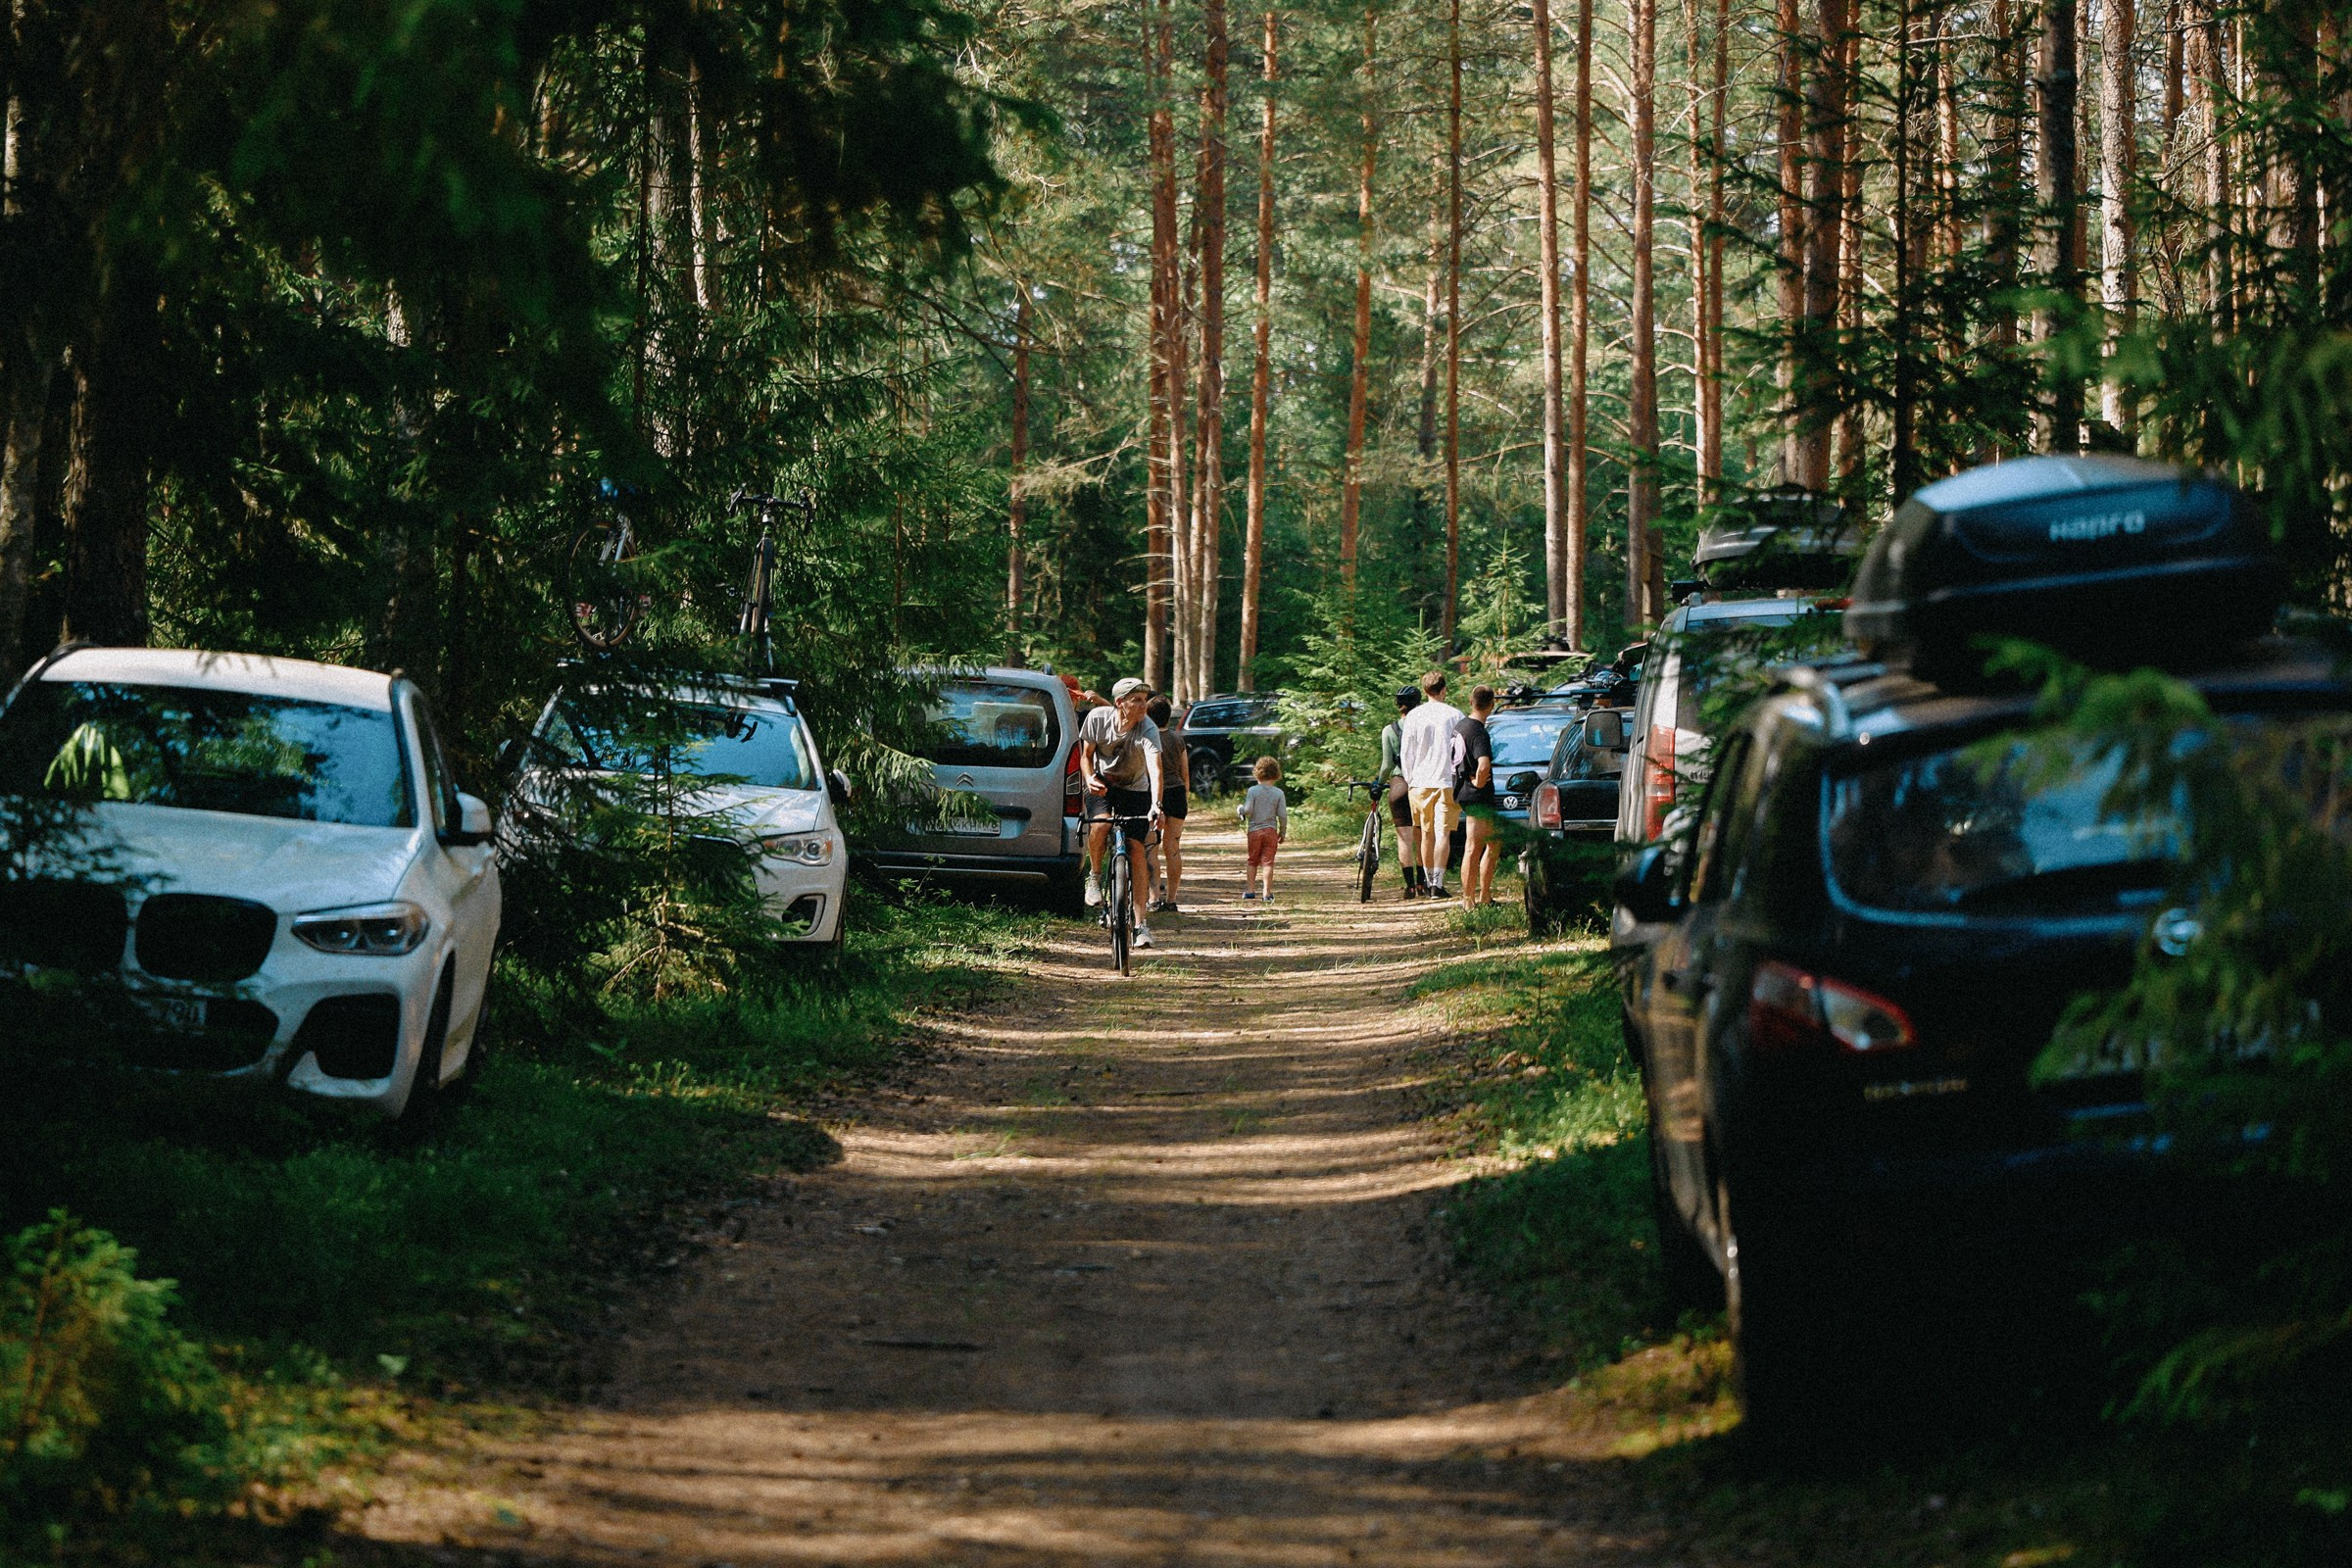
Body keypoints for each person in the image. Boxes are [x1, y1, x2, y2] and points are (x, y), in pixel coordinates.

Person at [1078, 676, 1164, 949]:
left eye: (1145, 700)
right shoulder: (1097, 718)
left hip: (1136, 789)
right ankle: (1094, 877)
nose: (1143, 706)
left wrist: (1156, 805)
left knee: (1137, 849)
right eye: (1136, 701)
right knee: (1100, 825)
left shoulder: (1147, 728)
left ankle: (1140, 925)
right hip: (1102, 784)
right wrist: (1089, 777)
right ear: (1120, 703)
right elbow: (1086, 754)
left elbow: (1156, 767)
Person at [1396, 669, 1464, 898]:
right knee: (1443, 833)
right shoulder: (1456, 715)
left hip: (1420, 782)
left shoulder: (1414, 716)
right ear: (1444, 690)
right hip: (1447, 781)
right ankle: (1437, 883)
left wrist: (1410, 779)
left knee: (1426, 833)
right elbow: (1460, 752)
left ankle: (1426, 881)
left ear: (1425, 691)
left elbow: (1406, 752)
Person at [1375, 687, 1425, 898]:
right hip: (1420, 783)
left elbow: (1387, 764)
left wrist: (1378, 783)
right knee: (1422, 836)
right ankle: (1424, 884)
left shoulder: (1390, 730)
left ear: (1398, 705)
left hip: (1399, 784)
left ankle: (1410, 886)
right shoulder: (1422, 727)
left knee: (1404, 838)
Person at [1454, 684, 1501, 906]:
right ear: (1492, 704)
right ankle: (1469, 900)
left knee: (1493, 843)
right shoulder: (1479, 732)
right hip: (1476, 796)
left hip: (1463, 791)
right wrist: (1479, 781)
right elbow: (1483, 764)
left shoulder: (1460, 726)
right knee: (1473, 847)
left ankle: (1484, 896)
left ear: (1471, 701)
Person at [1146, 695, 1189, 912]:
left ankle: (1154, 897)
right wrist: (1184, 796)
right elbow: (1185, 774)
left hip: (1153, 794)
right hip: (1177, 793)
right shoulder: (1177, 739)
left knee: (1151, 845)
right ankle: (1171, 899)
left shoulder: (1147, 738)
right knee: (1173, 847)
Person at [1237, 755, 1289, 903]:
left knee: (1252, 861)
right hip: (1271, 831)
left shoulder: (1253, 791)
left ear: (1258, 773)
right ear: (1276, 774)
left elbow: (1247, 810)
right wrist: (1282, 832)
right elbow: (1282, 815)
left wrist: (1240, 809)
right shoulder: (1279, 793)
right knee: (1268, 862)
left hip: (1254, 831)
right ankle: (1266, 893)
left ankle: (1250, 890)